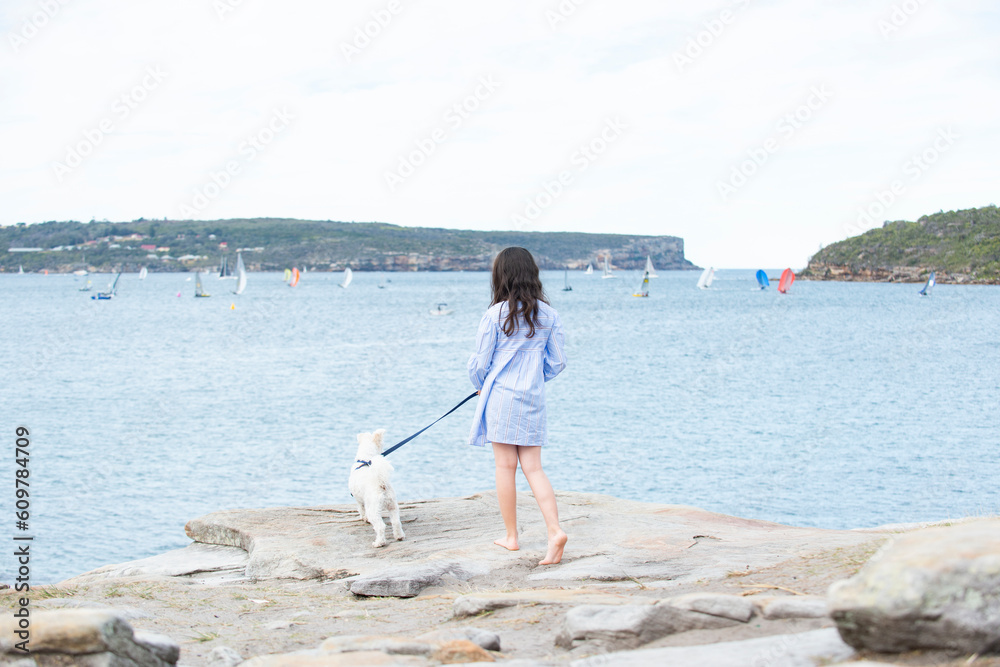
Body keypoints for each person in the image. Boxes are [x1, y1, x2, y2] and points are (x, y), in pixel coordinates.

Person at [467, 247, 568, 565]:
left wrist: (481, 384)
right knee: (534, 468)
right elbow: (558, 362)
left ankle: (511, 537)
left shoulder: (494, 315)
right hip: (533, 398)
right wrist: (535, 377)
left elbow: (479, 363)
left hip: (501, 398)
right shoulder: (549, 315)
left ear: (501, 276)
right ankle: (555, 531)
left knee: (505, 466)